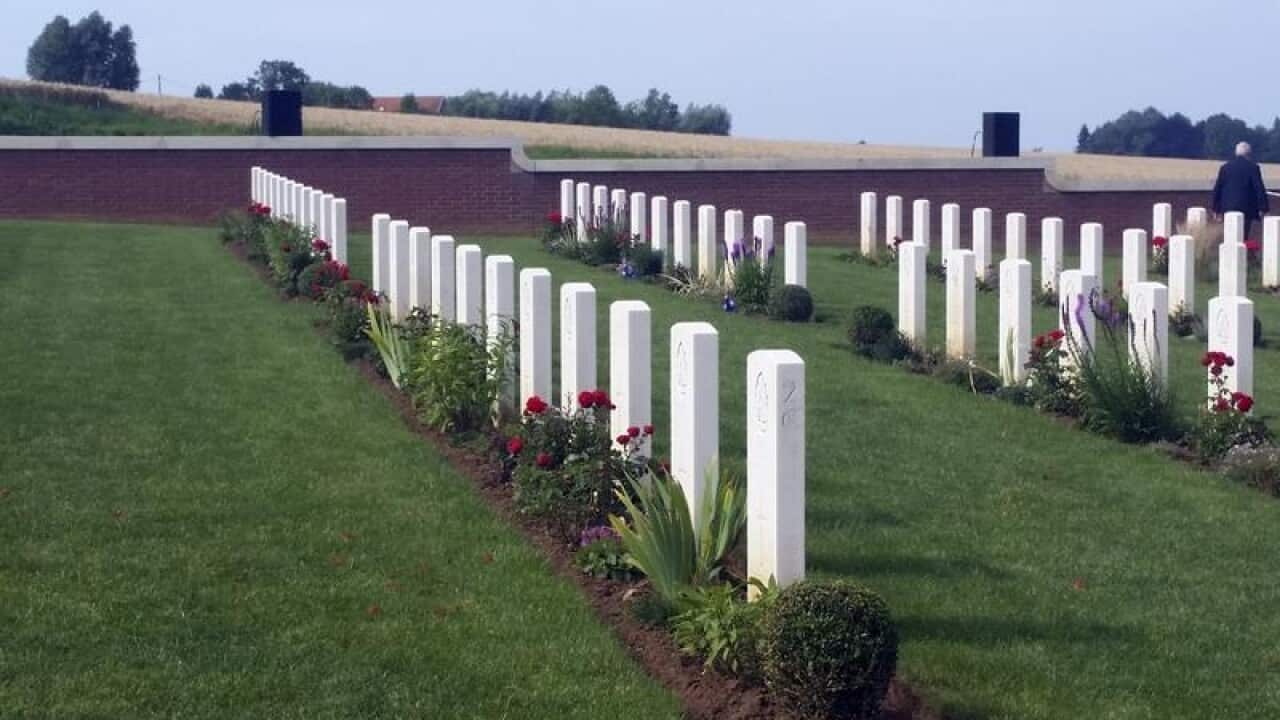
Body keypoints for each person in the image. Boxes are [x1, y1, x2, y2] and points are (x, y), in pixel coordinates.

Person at [1212, 141, 1270, 241]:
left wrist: (1215, 208)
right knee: (1243, 236)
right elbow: (1259, 188)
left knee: (1230, 236)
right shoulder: (1253, 167)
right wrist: (1263, 208)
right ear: (1249, 154)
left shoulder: (1225, 168)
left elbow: (1218, 188)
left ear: (1236, 153)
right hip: (1246, 208)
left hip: (1227, 208)